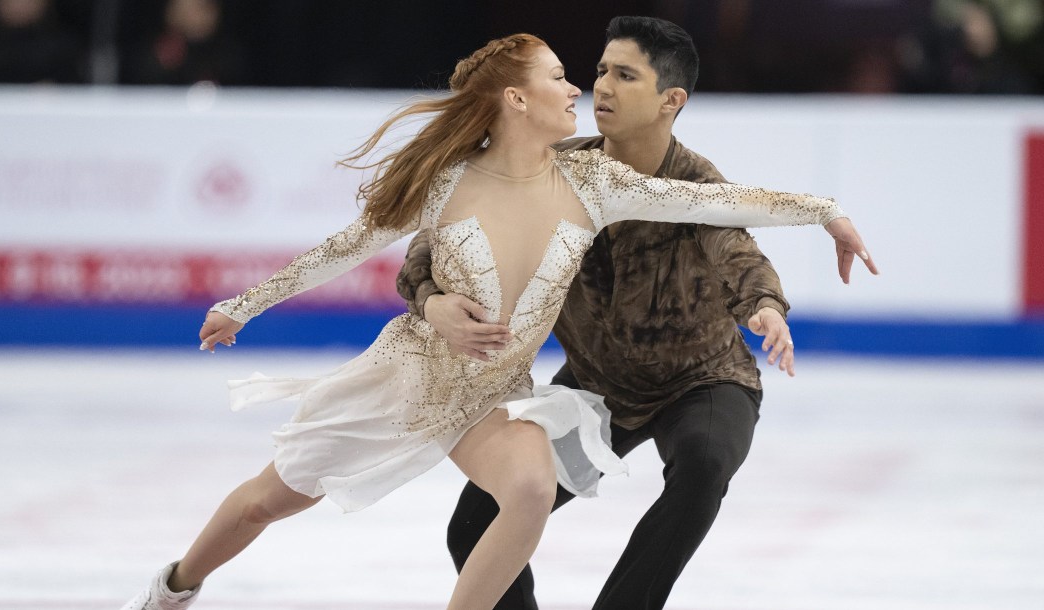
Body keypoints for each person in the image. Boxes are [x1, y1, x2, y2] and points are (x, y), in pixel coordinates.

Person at [120, 32, 866, 610]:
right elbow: (344, 250)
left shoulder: (593, 181)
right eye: (557, 78)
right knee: (264, 503)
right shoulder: (447, 184)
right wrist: (243, 307)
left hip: (487, 398)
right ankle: (177, 584)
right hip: (404, 381)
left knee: (533, 487)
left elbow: (716, 208)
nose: (577, 87)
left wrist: (825, 212)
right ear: (515, 99)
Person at [396, 16, 879, 610]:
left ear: (670, 101)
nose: (601, 86)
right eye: (600, 70)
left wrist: (764, 308)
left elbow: (736, 250)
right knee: (473, 525)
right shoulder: (554, 170)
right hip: (597, 391)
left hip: (702, 382)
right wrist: (433, 299)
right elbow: (432, 245)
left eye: (625, 75)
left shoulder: (694, 182)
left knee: (703, 467)